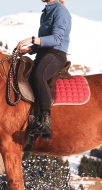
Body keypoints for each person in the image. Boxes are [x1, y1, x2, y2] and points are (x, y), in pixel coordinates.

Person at [16, 0, 71, 145]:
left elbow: (56, 39)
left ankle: (45, 121)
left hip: (56, 54)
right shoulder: (46, 12)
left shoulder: (60, 11)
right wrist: (29, 49)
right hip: (44, 54)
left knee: (39, 75)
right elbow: (44, 42)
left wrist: (31, 39)